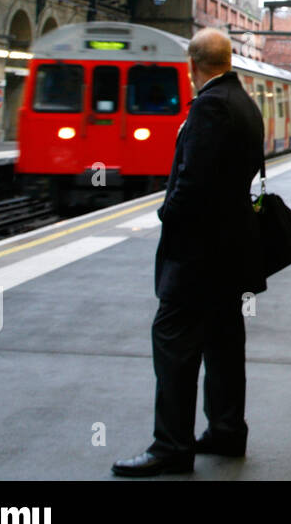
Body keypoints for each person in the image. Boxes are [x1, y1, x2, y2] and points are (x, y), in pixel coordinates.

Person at [112, 28, 264, 478]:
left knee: (175, 345)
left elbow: (192, 184)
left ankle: (171, 446)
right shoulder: (245, 103)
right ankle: (226, 429)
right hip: (230, 252)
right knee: (222, 344)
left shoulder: (210, 107)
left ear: (192, 65)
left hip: (199, 257)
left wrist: (167, 215)